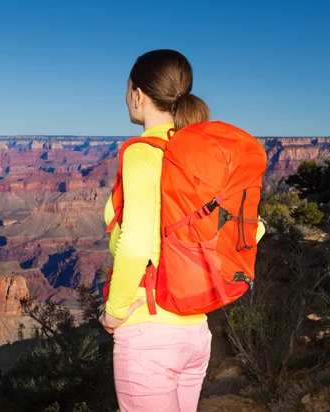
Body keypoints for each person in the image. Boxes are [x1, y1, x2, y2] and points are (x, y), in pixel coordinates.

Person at [99, 49, 265, 412]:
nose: (127, 97)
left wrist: (113, 312)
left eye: (128, 89)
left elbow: (136, 244)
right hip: (195, 332)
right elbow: (250, 228)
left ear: (138, 95)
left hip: (149, 333)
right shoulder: (199, 153)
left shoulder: (143, 153)